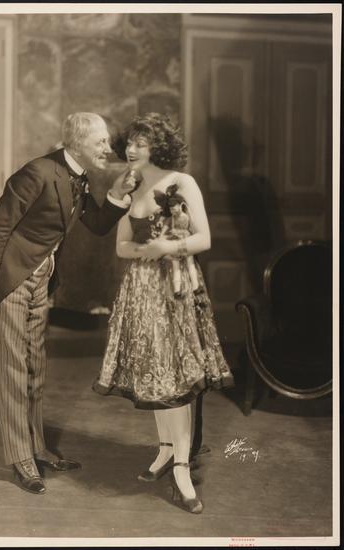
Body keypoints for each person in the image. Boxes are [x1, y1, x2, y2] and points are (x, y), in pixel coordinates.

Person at [0, 112, 136, 495]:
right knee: (13, 370)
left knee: (35, 368)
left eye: (106, 142)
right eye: (100, 142)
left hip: (41, 280)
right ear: (76, 143)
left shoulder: (79, 175)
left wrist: (118, 193)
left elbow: (96, 224)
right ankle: (20, 458)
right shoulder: (37, 172)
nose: (108, 149)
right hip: (9, 280)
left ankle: (37, 447)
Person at [93, 112, 234, 514]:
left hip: (176, 289)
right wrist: (145, 251)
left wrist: (167, 248)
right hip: (140, 291)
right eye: (129, 142)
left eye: (141, 143)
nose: (131, 149)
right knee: (154, 373)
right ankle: (166, 450)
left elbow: (204, 238)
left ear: (160, 147)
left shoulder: (182, 182)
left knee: (175, 375)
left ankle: (182, 469)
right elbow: (121, 246)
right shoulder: (131, 184)